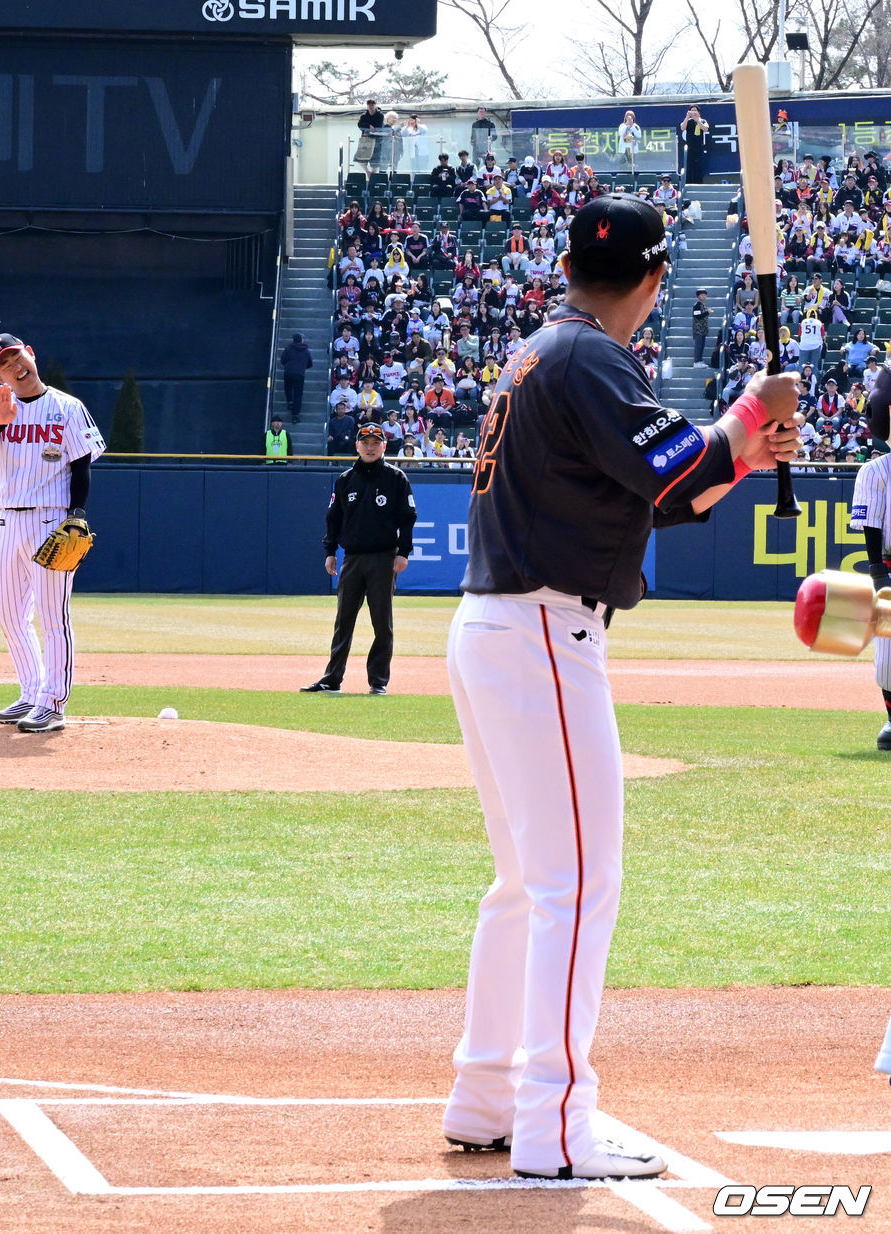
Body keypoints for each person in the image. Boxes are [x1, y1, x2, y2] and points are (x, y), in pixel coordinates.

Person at [442, 193, 801, 1181]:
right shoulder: (592, 357)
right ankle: (554, 1129)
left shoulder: (539, 351)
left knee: (525, 884)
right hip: (543, 633)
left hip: (497, 627)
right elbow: (677, 461)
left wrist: (743, 449)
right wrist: (749, 411)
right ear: (651, 280)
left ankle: (484, 1095)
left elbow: (664, 490)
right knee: (576, 885)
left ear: (569, 265)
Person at [0, 333, 105, 733]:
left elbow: (81, 466)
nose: (17, 367)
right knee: (10, 615)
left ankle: (53, 703)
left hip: (51, 519)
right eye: (6, 365)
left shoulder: (67, 407)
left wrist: (77, 515)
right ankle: (31, 692)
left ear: (31, 353)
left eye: (18, 356)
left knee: (52, 616)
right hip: (8, 519)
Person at [301, 423, 416, 695]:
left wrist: (403, 552)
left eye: (376, 442)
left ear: (384, 446)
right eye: (365, 442)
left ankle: (378, 682)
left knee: (381, 622)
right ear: (357, 446)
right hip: (352, 558)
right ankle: (332, 679)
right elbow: (333, 518)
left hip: (383, 558)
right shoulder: (345, 479)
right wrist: (330, 551)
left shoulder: (396, 478)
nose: (371, 446)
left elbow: (408, 518)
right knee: (344, 621)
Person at [849, 447, 891, 747]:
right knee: (888, 656)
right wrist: (877, 572)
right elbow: (871, 523)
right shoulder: (876, 470)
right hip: (890, 566)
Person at [279, 333, 313, 423]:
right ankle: (295, 416)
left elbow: (282, 360)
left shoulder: (288, 349)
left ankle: (290, 401)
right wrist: (302, 366)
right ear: (301, 340)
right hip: (299, 374)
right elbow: (310, 364)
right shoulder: (306, 351)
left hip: (288, 372)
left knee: (288, 387)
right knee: (298, 395)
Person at [680, 104, 710, 183]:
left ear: (699, 113)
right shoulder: (688, 121)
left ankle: (699, 183)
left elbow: (705, 129)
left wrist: (697, 120)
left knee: (698, 166)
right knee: (689, 166)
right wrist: (687, 117)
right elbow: (682, 128)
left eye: (695, 110)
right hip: (689, 147)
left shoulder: (702, 121)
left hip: (699, 147)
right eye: (692, 110)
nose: (693, 112)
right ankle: (688, 183)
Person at [356, 99, 385, 171]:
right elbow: (360, 125)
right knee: (360, 159)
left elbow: (379, 126)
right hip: (366, 140)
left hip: (376, 141)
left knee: (374, 161)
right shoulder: (364, 115)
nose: (371, 107)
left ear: (375, 105)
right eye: (369, 105)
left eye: (372, 105)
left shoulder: (380, 115)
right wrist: (368, 126)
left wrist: (373, 129)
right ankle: (367, 172)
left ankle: (372, 176)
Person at [692, 287, 713, 366]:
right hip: (698, 329)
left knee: (702, 345)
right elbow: (698, 316)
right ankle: (697, 361)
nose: (704, 296)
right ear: (698, 296)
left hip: (703, 329)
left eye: (705, 295)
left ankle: (700, 360)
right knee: (698, 345)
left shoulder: (703, 305)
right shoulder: (697, 305)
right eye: (702, 295)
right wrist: (707, 312)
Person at [617, 109, 641, 173]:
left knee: (632, 166)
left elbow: (639, 135)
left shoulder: (636, 126)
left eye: (631, 117)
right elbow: (620, 133)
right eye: (628, 117)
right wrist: (627, 125)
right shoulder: (622, 126)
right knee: (623, 166)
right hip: (623, 150)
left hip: (632, 149)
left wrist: (632, 126)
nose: (630, 119)